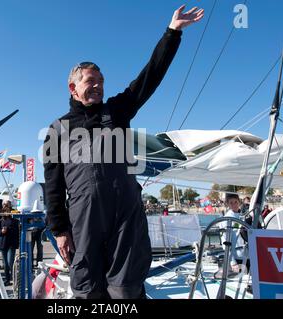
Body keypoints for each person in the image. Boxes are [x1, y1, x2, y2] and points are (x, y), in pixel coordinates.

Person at [43, 5, 204, 299]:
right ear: (73, 88)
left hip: (125, 218)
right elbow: (53, 186)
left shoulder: (117, 112)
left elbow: (149, 78)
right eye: (91, 82)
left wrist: (172, 33)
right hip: (84, 223)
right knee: (88, 292)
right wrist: (59, 230)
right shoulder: (57, 129)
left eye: (101, 82)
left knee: (126, 292)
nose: (98, 87)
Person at [217, 194, 249, 278]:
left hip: (248, 255)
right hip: (237, 257)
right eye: (231, 203)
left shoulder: (243, 216)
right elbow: (225, 242)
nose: (234, 204)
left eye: (236, 202)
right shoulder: (226, 219)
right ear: (227, 204)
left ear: (239, 202)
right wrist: (233, 262)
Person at [0, 205, 19, 285]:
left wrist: (8, 230)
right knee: (5, 264)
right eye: (5, 211)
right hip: (3, 244)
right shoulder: (1, 221)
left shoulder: (15, 221)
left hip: (11, 244)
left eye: (8, 211)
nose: (6, 212)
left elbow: (17, 233)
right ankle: (7, 279)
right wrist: (2, 231)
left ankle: (13, 278)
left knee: (10, 262)